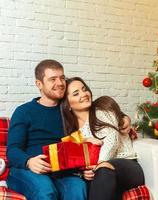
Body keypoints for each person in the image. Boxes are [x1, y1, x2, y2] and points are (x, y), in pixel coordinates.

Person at [6, 59, 132, 200]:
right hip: (28, 170)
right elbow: (12, 150)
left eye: (62, 78)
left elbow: (95, 111)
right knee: (46, 191)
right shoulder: (24, 111)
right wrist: (29, 161)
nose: (59, 83)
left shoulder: (68, 110)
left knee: (78, 188)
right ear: (39, 84)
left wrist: (123, 117)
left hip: (62, 173)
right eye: (52, 79)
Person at [60, 77, 145, 200]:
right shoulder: (73, 133)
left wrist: (97, 165)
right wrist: (84, 173)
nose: (84, 94)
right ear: (68, 105)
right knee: (91, 183)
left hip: (127, 166)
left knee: (104, 169)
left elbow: (112, 139)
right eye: (76, 93)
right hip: (102, 176)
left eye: (84, 89)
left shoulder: (102, 111)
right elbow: (75, 160)